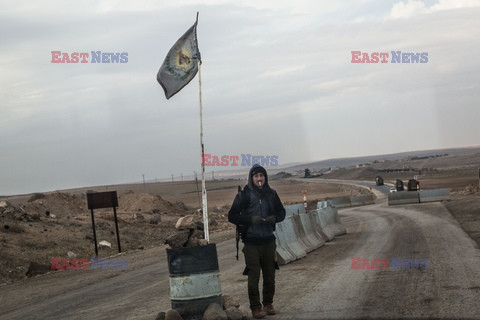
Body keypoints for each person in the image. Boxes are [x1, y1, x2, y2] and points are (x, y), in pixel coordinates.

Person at [228, 164, 286, 319]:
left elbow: (282, 212)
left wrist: (275, 218)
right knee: (254, 276)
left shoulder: (272, 194)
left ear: (265, 177)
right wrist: (249, 219)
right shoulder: (244, 195)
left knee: (270, 274)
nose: (259, 179)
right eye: (256, 176)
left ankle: (268, 304)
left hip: (269, 240)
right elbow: (232, 215)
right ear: (251, 178)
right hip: (251, 242)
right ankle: (256, 308)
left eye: (262, 176)